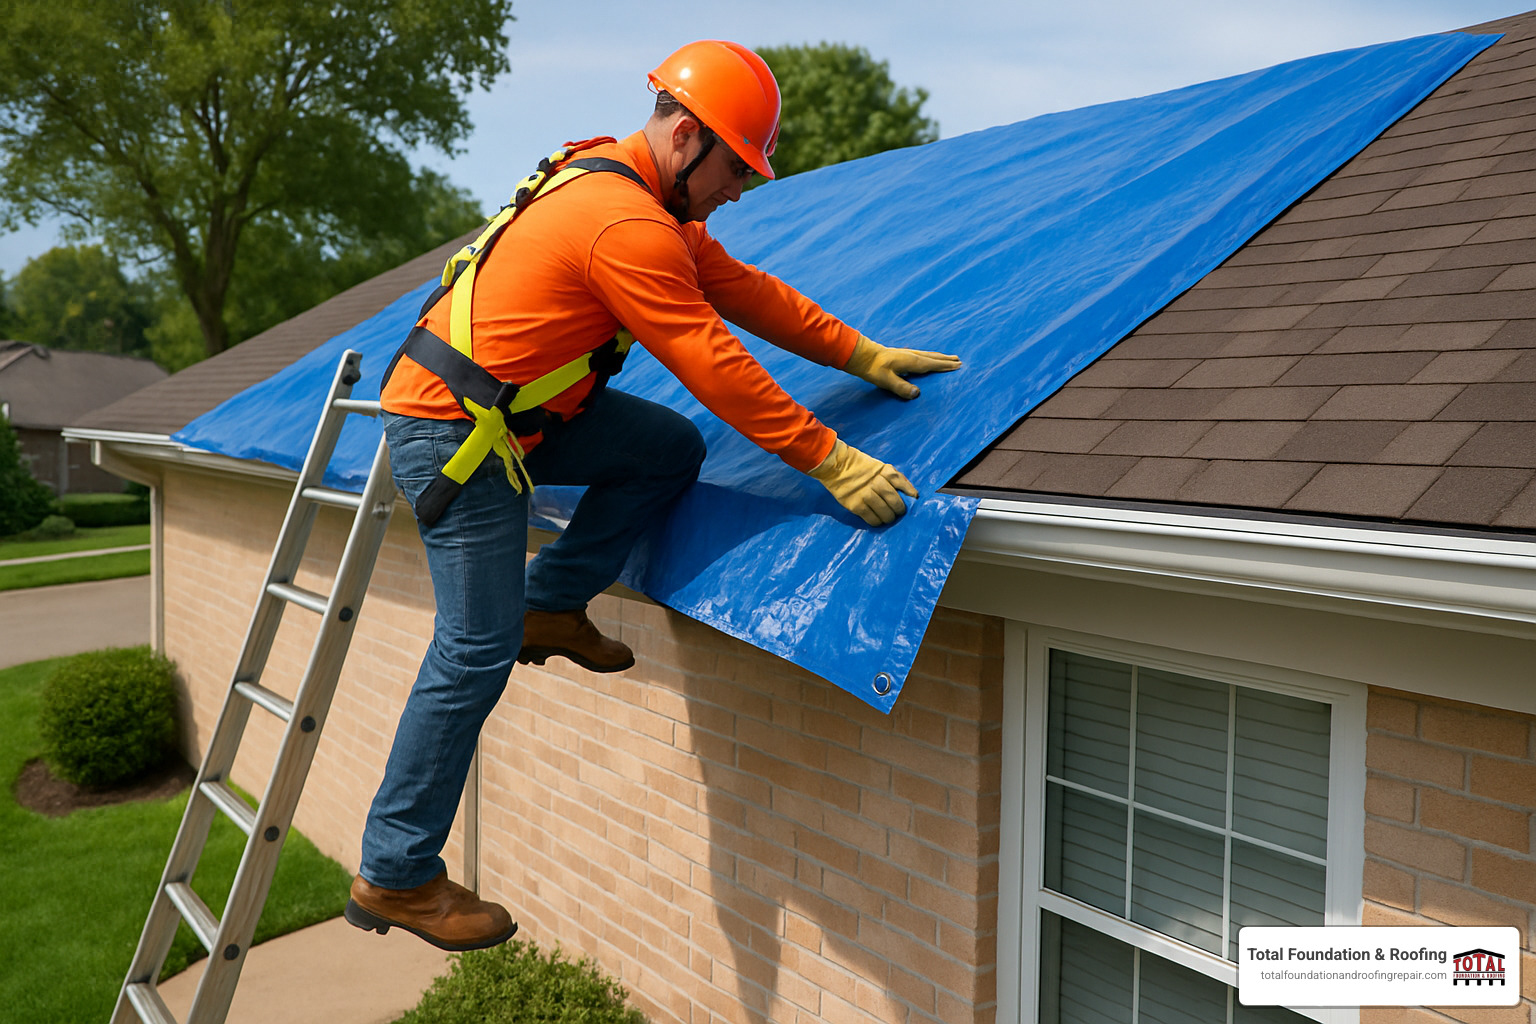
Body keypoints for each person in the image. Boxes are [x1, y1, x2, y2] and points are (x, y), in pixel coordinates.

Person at [344, 39, 961, 951]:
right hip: (458, 435)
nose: (742, 191)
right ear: (685, 135)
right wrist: (827, 458)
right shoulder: (623, 226)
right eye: (737, 169)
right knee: (470, 652)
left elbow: (743, 291)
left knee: (665, 450)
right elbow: (710, 357)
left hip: (510, 415)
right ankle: (396, 872)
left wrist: (856, 352)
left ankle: (548, 609)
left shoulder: (625, 187)